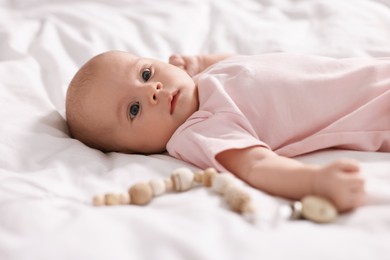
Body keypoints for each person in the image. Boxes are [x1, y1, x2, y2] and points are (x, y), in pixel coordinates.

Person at [66, 50, 390, 212]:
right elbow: (257, 166)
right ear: (130, 149)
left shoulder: (202, 79)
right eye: (134, 109)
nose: (153, 89)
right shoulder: (200, 130)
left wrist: (199, 61)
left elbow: (245, 63)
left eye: (146, 72)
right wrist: (315, 182)